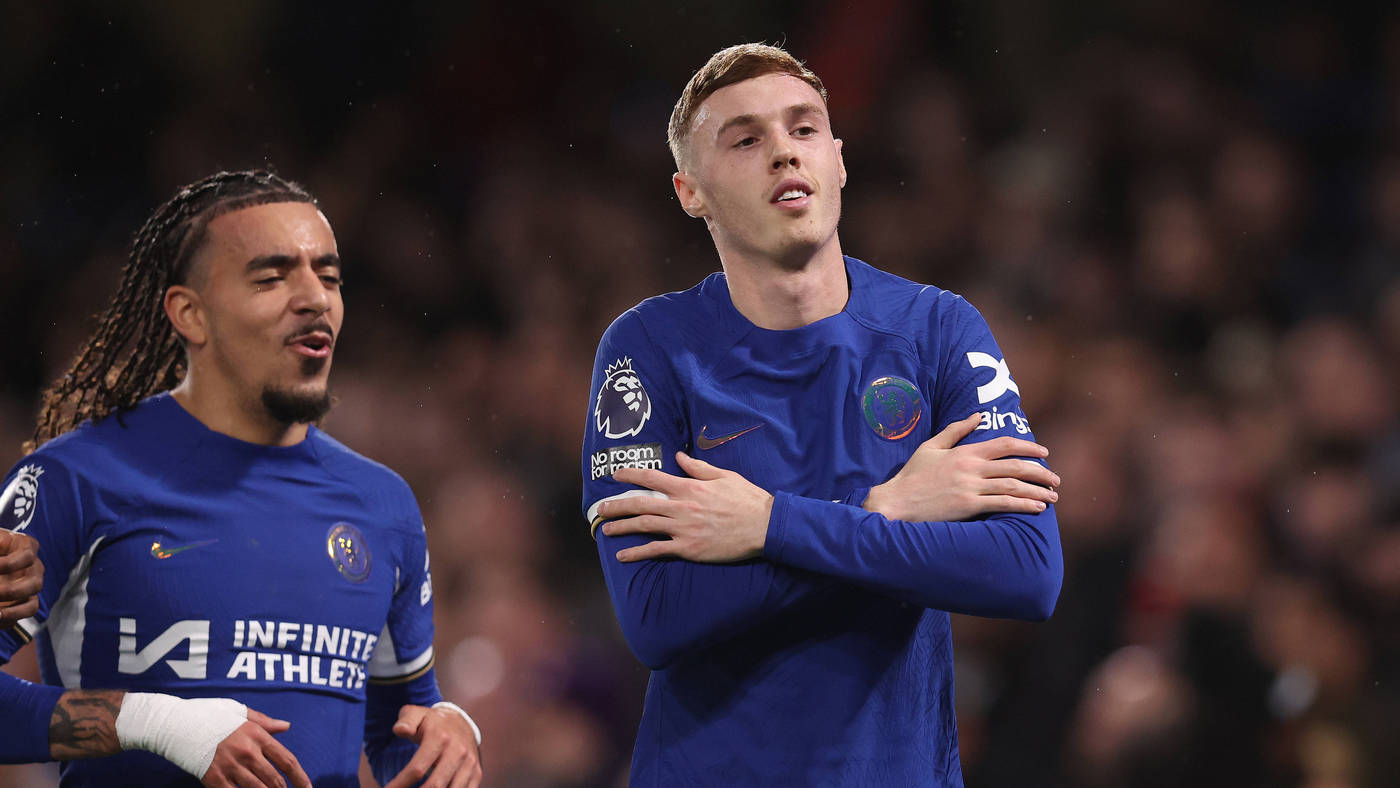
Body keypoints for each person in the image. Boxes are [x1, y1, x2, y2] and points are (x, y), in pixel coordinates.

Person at [581, 44, 1063, 786]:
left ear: (837, 161)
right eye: (746, 140)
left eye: (803, 129)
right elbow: (657, 616)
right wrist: (884, 509)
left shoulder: (938, 329)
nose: (784, 152)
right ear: (690, 191)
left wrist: (772, 526)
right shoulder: (648, 350)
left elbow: (1026, 572)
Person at [0, 171, 482, 788]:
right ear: (190, 314)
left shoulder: (383, 505)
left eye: (329, 277)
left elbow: (400, 725)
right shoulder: (74, 480)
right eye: (272, 278)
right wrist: (155, 723)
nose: (315, 299)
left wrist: (451, 731)